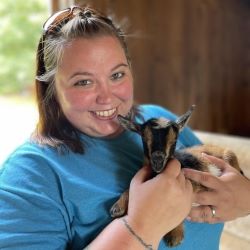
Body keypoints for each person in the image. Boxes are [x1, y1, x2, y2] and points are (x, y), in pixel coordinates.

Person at [0, 5, 249, 250]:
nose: (107, 98)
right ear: (51, 91)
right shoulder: (29, 176)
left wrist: (244, 198)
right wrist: (140, 226)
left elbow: (231, 184)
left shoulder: (159, 120)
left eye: (117, 75)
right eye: (84, 82)